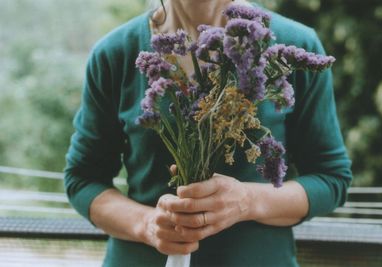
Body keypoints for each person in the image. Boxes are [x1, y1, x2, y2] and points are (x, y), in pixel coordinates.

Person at [64, 0, 352, 266]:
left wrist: (246, 201)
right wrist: (147, 224)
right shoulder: (115, 54)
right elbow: (83, 180)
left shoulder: (296, 46)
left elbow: (330, 179)